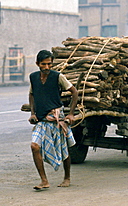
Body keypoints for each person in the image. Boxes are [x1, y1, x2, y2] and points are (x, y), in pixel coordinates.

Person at [28, 50, 78, 189]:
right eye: (44, 64)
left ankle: (67, 177)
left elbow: (74, 92)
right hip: (42, 120)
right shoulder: (33, 77)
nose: (47, 67)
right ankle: (44, 180)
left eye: (50, 64)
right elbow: (31, 95)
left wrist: (71, 114)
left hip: (56, 118)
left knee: (63, 149)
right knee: (34, 146)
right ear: (37, 64)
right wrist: (33, 113)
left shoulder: (58, 77)